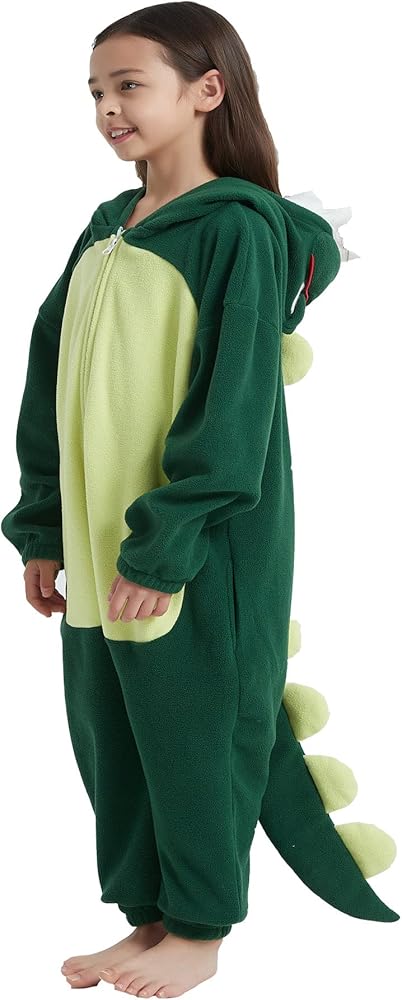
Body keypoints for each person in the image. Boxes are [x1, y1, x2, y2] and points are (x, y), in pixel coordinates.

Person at [1, 3, 399, 998]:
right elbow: (48, 379)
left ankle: (201, 925)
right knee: (114, 736)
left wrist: (165, 541)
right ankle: (149, 914)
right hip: (97, 543)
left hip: (192, 547)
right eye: (96, 92)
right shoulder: (107, 228)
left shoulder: (235, 231)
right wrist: (42, 528)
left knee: (196, 732)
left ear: (206, 91)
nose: (108, 108)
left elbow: (233, 410)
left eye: (129, 85)